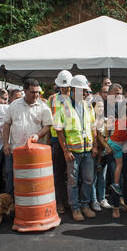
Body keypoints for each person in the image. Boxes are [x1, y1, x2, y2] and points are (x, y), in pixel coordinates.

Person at [53, 75, 98, 222]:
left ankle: (85, 205)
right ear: (73, 90)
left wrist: (95, 146)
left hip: (88, 151)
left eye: (86, 91)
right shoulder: (62, 105)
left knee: (88, 180)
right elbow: (59, 130)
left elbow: (93, 127)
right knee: (72, 182)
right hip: (73, 152)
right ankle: (76, 208)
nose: (86, 94)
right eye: (83, 91)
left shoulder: (88, 105)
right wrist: (66, 151)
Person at [47, 70, 73, 213]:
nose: (65, 89)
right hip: (57, 140)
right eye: (63, 86)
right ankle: (60, 202)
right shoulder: (51, 99)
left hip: (73, 140)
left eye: (67, 86)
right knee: (58, 173)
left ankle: (71, 201)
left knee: (71, 174)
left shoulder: (75, 98)